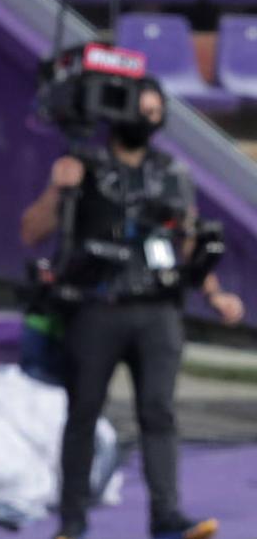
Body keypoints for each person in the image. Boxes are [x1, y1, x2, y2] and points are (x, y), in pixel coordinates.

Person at [20, 80, 245, 539]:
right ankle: (71, 523)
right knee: (83, 412)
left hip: (158, 311)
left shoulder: (173, 173)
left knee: (159, 413)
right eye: (140, 109)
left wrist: (214, 292)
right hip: (95, 309)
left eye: (156, 110)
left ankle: (167, 517)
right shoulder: (82, 167)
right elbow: (31, 233)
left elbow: (188, 243)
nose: (148, 119)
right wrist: (57, 191)